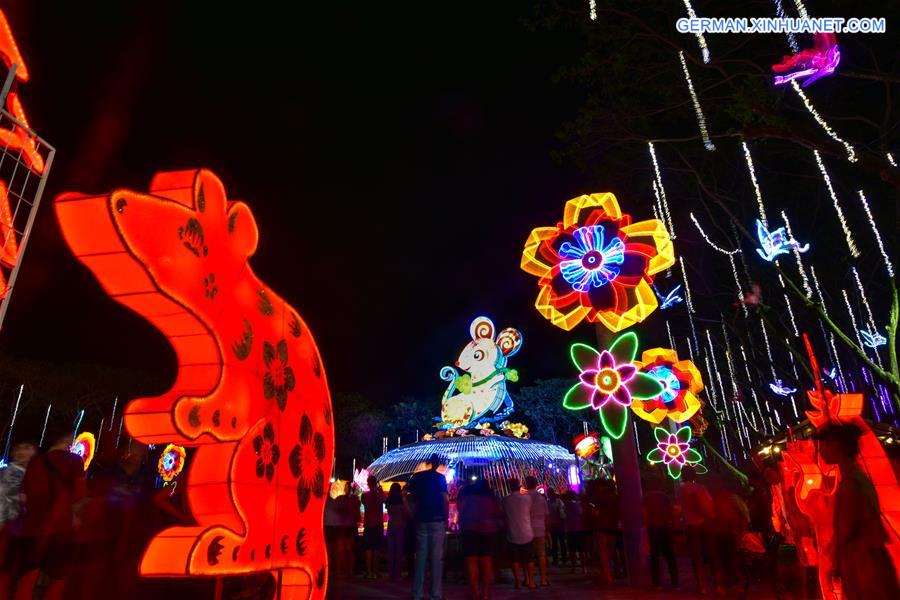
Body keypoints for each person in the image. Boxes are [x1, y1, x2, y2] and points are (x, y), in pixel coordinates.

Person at [818, 424, 900, 599]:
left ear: (836, 445)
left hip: (863, 564)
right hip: (868, 562)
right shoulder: (855, 478)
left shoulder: (851, 483)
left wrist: (835, 560)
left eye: (823, 445)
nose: (820, 451)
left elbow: (847, 528)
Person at [10, 430, 86, 600]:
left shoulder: (35, 461)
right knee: (57, 581)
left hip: (31, 529)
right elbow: (79, 494)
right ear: (67, 440)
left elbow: (25, 496)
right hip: (60, 529)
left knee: (27, 580)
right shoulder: (74, 460)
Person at [406, 454, 449, 600]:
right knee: (437, 558)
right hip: (437, 520)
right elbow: (445, 499)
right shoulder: (440, 478)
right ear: (437, 464)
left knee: (421, 557)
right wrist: (446, 517)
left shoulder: (418, 477)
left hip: (421, 519)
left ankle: (417, 593)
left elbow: (406, 495)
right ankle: (435, 594)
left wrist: (412, 512)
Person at [0, 442, 35, 596]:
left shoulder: (28, 473)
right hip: (9, 527)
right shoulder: (14, 471)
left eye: (27, 448)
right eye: (19, 448)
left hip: (17, 528)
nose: (22, 451)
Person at [457, 479, 502, 600]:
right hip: (487, 530)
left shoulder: (469, 497)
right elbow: (498, 512)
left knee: (471, 561)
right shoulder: (491, 498)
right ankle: (485, 592)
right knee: (486, 560)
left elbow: (460, 510)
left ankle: (475, 592)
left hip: (470, 529)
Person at [677, 466, 715, 594]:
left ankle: (701, 585)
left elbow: (681, 507)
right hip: (703, 523)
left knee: (696, 556)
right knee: (710, 553)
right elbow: (709, 504)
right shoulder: (699, 488)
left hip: (689, 524)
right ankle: (717, 584)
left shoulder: (681, 489)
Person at [642, 476, 678, 591]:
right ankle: (675, 583)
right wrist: (672, 525)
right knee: (670, 556)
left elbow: (645, 514)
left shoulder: (646, 497)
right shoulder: (665, 497)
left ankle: (658, 584)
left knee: (654, 557)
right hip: (665, 527)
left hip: (653, 528)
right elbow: (671, 512)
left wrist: (646, 527)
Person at [501, 478, 534, 590]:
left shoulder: (505, 500)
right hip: (527, 532)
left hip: (513, 533)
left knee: (514, 560)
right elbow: (530, 512)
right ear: (519, 486)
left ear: (509, 487)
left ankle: (519, 582)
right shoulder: (527, 498)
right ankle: (531, 582)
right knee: (529, 559)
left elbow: (503, 515)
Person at [524, 476, 550, 587]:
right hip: (540, 529)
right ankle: (543, 580)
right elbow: (546, 516)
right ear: (536, 484)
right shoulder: (541, 498)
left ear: (526, 484)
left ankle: (529, 580)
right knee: (541, 555)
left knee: (528, 556)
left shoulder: (524, 498)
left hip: (527, 529)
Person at [333, 482, 360, 579]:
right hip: (345, 526)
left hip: (346, 526)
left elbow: (336, 510)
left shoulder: (347, 499)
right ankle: (343, 571)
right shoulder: (352, 500)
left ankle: (345, 571)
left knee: (345, 550)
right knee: (344, 550)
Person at [361, 475, 385, 579]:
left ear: (368, 484)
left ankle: (368, 572)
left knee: (368, 549)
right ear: (376, 484)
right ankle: (376, 572)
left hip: (368, 524)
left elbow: (364, 503)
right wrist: (380, 490)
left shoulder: (365, 496)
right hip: (378, 525)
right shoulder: (380, 496)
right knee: (377, 549)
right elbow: (384, 499)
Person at [385, 483, 408, 581]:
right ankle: (397, 574)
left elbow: (389, 512)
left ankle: (390, 574)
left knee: (391, 550)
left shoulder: (389, 501)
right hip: (399, 525)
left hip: (391, 525)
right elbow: (405, 513)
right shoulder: (401, 501)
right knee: (399, 551)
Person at [563, 490, 586, 574]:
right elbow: (581, 513)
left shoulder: (566, 505)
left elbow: (565, 516)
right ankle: (583, 568)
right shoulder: (577, 504)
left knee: (572, 550)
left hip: (571, 529)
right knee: (581, 550)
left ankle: (574, 568)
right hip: (579, 528)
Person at [546, 488, 567, 566]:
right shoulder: (553, 502)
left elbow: (563, 512)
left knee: (560, 542)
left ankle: (562, 559)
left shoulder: (556, 502)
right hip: (555, 524)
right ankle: (557, 559)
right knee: (556, 543)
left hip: (558, 524)